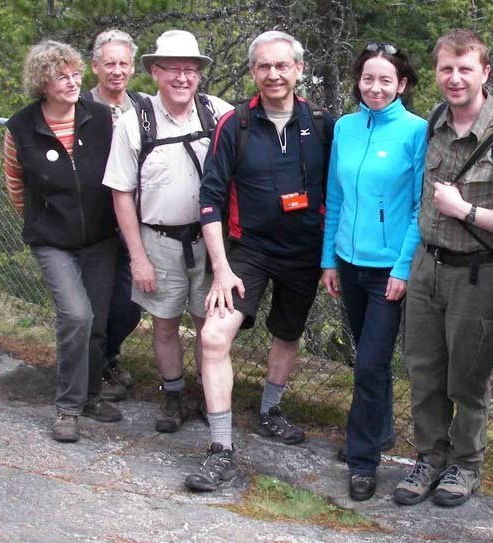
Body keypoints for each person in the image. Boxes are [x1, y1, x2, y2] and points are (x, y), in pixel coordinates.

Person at [393, 29, 493, 508]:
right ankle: (429, 457)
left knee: (468, 378)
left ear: (484, 72)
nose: (454, 79)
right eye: (446, 69)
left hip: (479, 275)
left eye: (464, 69)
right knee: (423, 372)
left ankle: (465, 465)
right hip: (427, 267)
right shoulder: (436, 121)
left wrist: (467, 212)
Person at [185, 30, 334, 492]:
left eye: (282, 65)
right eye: (264, 66)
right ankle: (221, 450)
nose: (273, 74)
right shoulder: (235, 126)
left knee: (286, 333)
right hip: (246, 252)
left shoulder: (324, 125)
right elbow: (209, 198)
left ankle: (270, 411)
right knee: (213, 336)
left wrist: (330, 259)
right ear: (253, 72)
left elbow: (344, 192)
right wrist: (221, 268)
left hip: (305, 253)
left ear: (298, 70)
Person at [102, 30, 233, 434]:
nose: (182, 77)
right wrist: (137, 255)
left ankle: (207, 396)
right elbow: (122, 194)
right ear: (155, 71)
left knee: (206, 324)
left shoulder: (219, 114)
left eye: (190, 69)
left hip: (210, 241)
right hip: (157, 241)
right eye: (173, 68)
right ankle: (174, 395)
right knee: (164, 323)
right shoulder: (133, 122)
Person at [320, 42, 425, 501]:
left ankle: (362, 461)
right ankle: (378, 432)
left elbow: (421, 209)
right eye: (368, 78)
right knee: (369, 357)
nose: (375, 87)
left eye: (385, 80)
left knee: (369, 363)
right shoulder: (345, 126)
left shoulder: (417, 131)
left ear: (401, 84)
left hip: (389, 270)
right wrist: (328, 258)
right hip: (348, 260)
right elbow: (336, 196)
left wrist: (403, 268)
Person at [3, 40, 121, 442]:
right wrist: (46, 222)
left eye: (75, 75)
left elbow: (122, 175)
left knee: (98, 323)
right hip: (53, 242)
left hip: (102, 238)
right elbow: (15, 184)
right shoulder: (21, 127)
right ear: (43, 83)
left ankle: (91, 396)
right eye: (61, 77)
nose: (72, 83)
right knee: (75, 316)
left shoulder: (104, 118)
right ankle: (67, 408)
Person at [83, 29, 146, 402]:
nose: (117, 71)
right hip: (93, 223)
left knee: (130, 305)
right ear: (95, 67)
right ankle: (97, 370)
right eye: (109, 63)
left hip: (135, 223)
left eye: (123, 63)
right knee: (95, 304)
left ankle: (108, 358)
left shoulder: (143, 106)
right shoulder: (80, 109)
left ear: (133, 66)